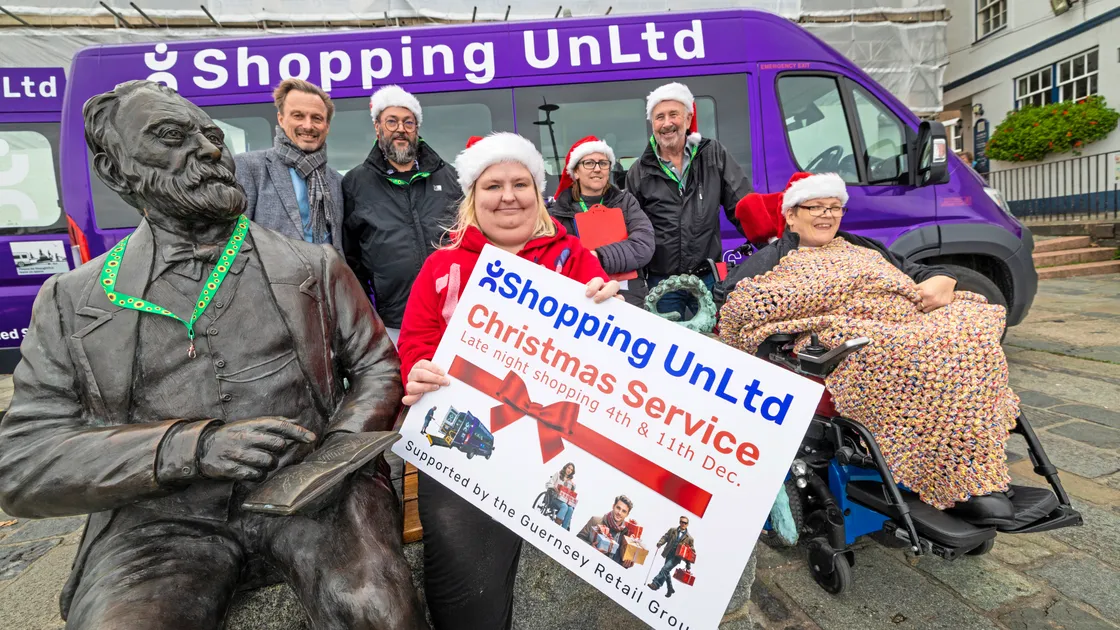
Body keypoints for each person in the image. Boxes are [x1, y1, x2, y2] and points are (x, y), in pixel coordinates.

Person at [0, 80, 425, 629]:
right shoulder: (71, 299)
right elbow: (23, 463)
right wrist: (189, 449)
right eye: (170, 137)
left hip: (316, 498)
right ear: (113, 169)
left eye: (210, 135)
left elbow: (375, 366)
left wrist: (335, 453)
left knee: (375, 608)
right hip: (161, 522)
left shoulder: (314, 267)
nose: (205, 149)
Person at [395, 132, 619, 629]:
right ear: (473, 197)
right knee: (462, 586)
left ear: (538, 195)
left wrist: (616, 312)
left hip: (564, 442)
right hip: (468, 442)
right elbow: (414, 344)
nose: (508, 196)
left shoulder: (576, 260)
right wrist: (418, 371)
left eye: (521, 183)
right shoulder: (442, 266)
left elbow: (616, 355)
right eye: (493, 185)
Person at [719, 171, 1018, 518]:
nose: (827, 214)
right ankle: (962, 478)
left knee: (969, 336)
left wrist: (944, 278)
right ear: (790, 214)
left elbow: (916, 271)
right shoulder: (775, 256)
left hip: (905, 316)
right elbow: (734, 301)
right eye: (815, 206)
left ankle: (970, 458)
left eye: (835, 207)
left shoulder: (862, 246)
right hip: (850, 331)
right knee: (912, 354)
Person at [343, 85, 462, 345]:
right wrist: (368, 312)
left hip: (454, 313)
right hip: (393, 320)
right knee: (403, 384)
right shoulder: (355, 183)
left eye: (408, 123)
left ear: (416, 130)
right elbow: (352, 258)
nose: (401, 129)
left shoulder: (450, 176)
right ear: (377, 127)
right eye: (392, 122)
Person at [625, 82, 753, 318]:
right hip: (661, 281)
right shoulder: (639, 171)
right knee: (665, 345)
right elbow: (632, 230)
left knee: (714, 343)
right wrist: (638, 284)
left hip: (707, 277)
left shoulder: (713, 154)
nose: (666, 123)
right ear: (652, 124)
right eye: (659, 117)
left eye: (673, 114)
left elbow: (744, 206)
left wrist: (772, 243)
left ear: (688, 118)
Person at [235, 78, 344, 254]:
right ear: (281, 119)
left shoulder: (337, 181)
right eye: (298, 116)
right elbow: (234, 242)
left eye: (317, 118)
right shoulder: (248, 167)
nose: (308, 126)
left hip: (328, 279)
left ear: (327, 126)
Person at [549, 136, 654, 306]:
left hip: (630, 296)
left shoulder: (626, 202)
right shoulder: (557, 212)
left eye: (603, 163)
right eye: (589, 163)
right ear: (575, 171)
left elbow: (644, 245)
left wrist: (598, 256)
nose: (597, 169)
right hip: (581, 295)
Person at [576, 495, 634, 566]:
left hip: (607, 575)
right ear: (613, 506)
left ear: (627, 514)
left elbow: (619, 560)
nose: (619, 512)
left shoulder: (626, 534)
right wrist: (590, 547)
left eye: (624, 511)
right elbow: (578, 539)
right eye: (618, 508)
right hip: (588, 565)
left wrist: (625, 564)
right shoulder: (595, 521)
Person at [648, 516, 695, 598]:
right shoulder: (673, 530)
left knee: (665, 569)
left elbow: (691, 553)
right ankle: (670, 588)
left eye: (685, 523)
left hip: (677, 557)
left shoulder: (689, 538)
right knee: (666, 571)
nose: (683, 524)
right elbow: (665, 537)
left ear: (687, 525)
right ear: (679, 522)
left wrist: (688, 564)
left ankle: (656, 584)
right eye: (681, 522)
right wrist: (660, 543)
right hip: (668, 553)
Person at [546, 462, 578, 530]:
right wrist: (554, 487)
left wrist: (573, 488)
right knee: (565, 506)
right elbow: (548, 484)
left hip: (563, 501)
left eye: (571, 470)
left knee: (570, 509)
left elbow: (569, 495)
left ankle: (563, 530)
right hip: (554, 498)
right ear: (565, 467)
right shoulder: (558, 474)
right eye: (568, 468)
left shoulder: (570, 482)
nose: (569, 470)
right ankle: (556, 527)